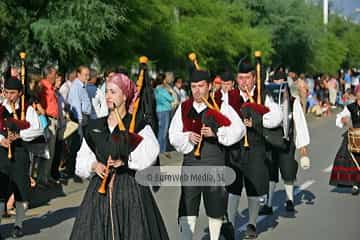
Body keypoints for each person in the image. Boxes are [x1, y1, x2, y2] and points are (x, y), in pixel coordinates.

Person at [70, 73, 169, 239]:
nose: (108, 96)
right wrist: (95, 165)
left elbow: (150, 152)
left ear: (125, 95)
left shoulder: (136, 124)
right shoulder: (96, 126)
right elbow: (82, 158)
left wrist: (126, 161)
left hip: (130, 191)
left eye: (113, 92)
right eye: (107, 91)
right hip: (99, 193)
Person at [169, 69, 245, 240]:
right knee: (188, 205)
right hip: (191, 164)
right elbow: (173, 135)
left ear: (209, 86)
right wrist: (187, 136)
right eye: (193, 86)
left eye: (201, 86)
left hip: (214, 163)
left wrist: (216, 133)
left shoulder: (220, 106)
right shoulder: (184, 107)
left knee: (215, 207)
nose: (197, 90)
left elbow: (238, 129)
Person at [224, 60, 283, 239]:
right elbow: (223, 116)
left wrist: (256, 121)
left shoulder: (262, 94)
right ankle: (230, 226)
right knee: (233, 188)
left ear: (254, 78)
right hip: (235, 148)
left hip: (256, 147)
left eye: (247, 78)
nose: (244, 82)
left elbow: (276, 117)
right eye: (240, 78)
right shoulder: (229, 96)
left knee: (253, 187)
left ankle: (251, 223)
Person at [259, 70, 311, 215]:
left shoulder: (293, 101)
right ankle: (268, 204)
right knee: (271, 173)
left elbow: (299, 123)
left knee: (288, 172)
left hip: (286, 141)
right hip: (269, 141)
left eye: (282, 82)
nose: (279, 86)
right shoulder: (266, 99)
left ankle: (289, 200)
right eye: (277, 83)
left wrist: (303, 149)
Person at [0, 77, 43, 238]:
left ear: (19, 93)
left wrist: (19, 135)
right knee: (0, 189)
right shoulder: (0, 108)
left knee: (21, 190)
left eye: (12, 93)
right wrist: (1, 139)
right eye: (6, 92)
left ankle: (18, 224)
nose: (9, 96)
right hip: (2, 153)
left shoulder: (27, 109)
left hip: (20, 154)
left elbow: (38, 129)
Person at [330, 85, 360, 195]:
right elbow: (341, 117)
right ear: (356, 95)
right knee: (350, 158)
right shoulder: (351, 106)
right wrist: (343, 120)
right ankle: (355, 184)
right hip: (354, 135)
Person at [154, 73, 174, 153]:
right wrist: (170, 91)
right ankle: (162, 151)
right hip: (165, 112)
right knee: (164, 133)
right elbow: (171, 98)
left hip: (158, 111)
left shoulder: (155, 89)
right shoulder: (162, 89)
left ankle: (159, 150)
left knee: (160, 132)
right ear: (163, 80)